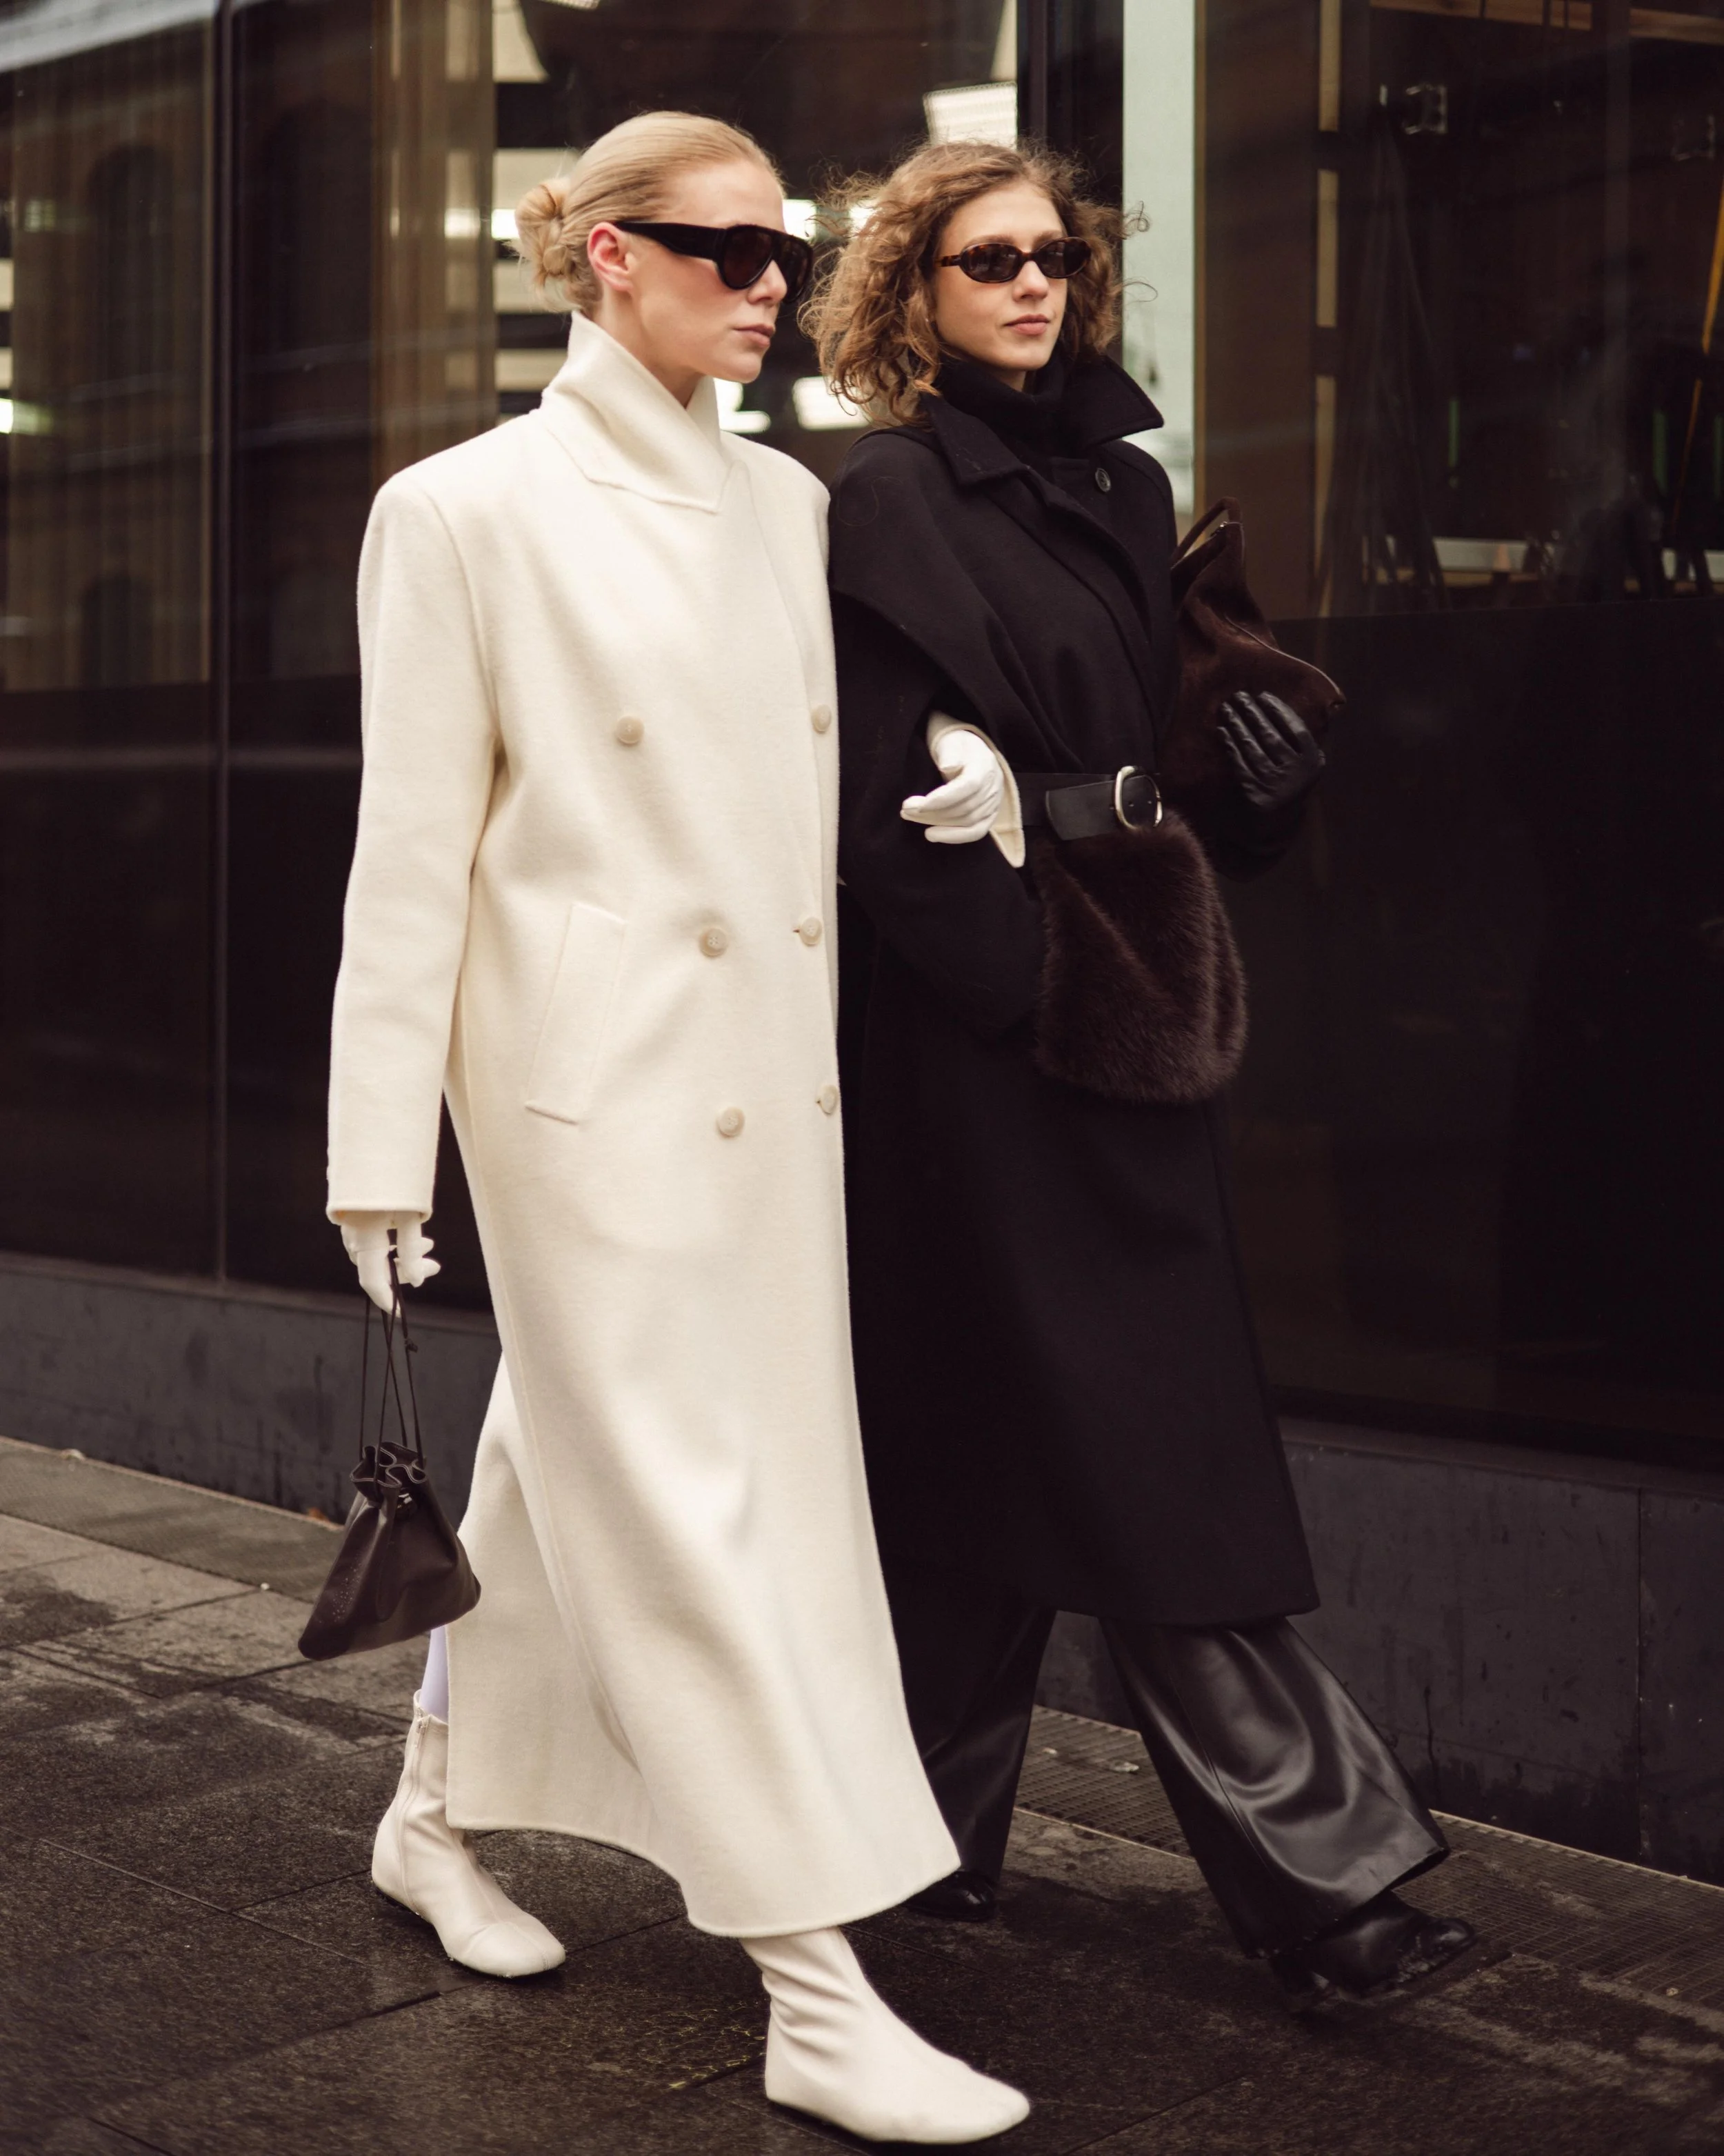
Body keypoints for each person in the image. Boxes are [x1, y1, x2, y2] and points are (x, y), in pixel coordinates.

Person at [325, 112, 1028, 2144]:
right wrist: (377, 1154)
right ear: (608, 256)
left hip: (772, 1085)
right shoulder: (460, 511)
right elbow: (408, 854)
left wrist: (964, 748)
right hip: (588, 1098)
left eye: (782, 248)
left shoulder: (784, 503)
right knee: (712, 1521)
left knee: (582, 1460)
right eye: (726, 249)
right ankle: (813, 1984)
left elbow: (845, 728)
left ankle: (429, 1814)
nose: (770, 284)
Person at [808, 137, 1479, 2008]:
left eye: (1052, 255)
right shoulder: (887, 495)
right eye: (986, 260)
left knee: (1004, 1435)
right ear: (912, 293)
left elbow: (1165, 753)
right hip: (990, 1036)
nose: (1032, 282)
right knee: (1138, 1443)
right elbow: (872, 816)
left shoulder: (1121, 480)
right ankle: (1329, 1888)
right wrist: (1023, 993)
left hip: (1134, 991)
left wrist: (1257, 788)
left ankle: (908, 1843)